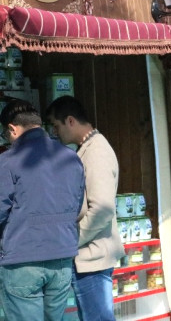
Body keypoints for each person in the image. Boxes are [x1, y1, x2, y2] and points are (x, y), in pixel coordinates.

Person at [0, 99, 85, 320]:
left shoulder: (8, 162)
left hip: (22, 261)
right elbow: (77, 206)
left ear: (12, 128)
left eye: (5, 135)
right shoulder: (71, 158)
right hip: (62, 259)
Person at [46, 96, 125, 320]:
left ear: (70, 121)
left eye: (56, 125)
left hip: (93, 258)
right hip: (90, 256)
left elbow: (102, 208)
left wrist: (73, 240)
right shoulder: (88, 148)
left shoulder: (96, 151)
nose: (55, 132)